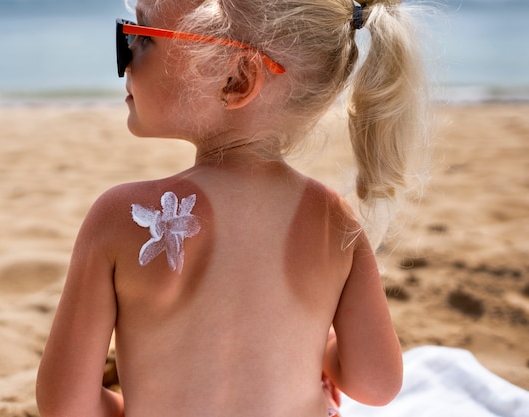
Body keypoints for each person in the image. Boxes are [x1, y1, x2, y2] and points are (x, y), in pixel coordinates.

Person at [36, 0, 430, 416]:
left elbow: (66, 406)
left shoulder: (120, 215)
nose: (125, 57)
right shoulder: (335, 220)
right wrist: (326, 353)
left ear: (238, 80)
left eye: (142, 38)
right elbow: (378, 384)